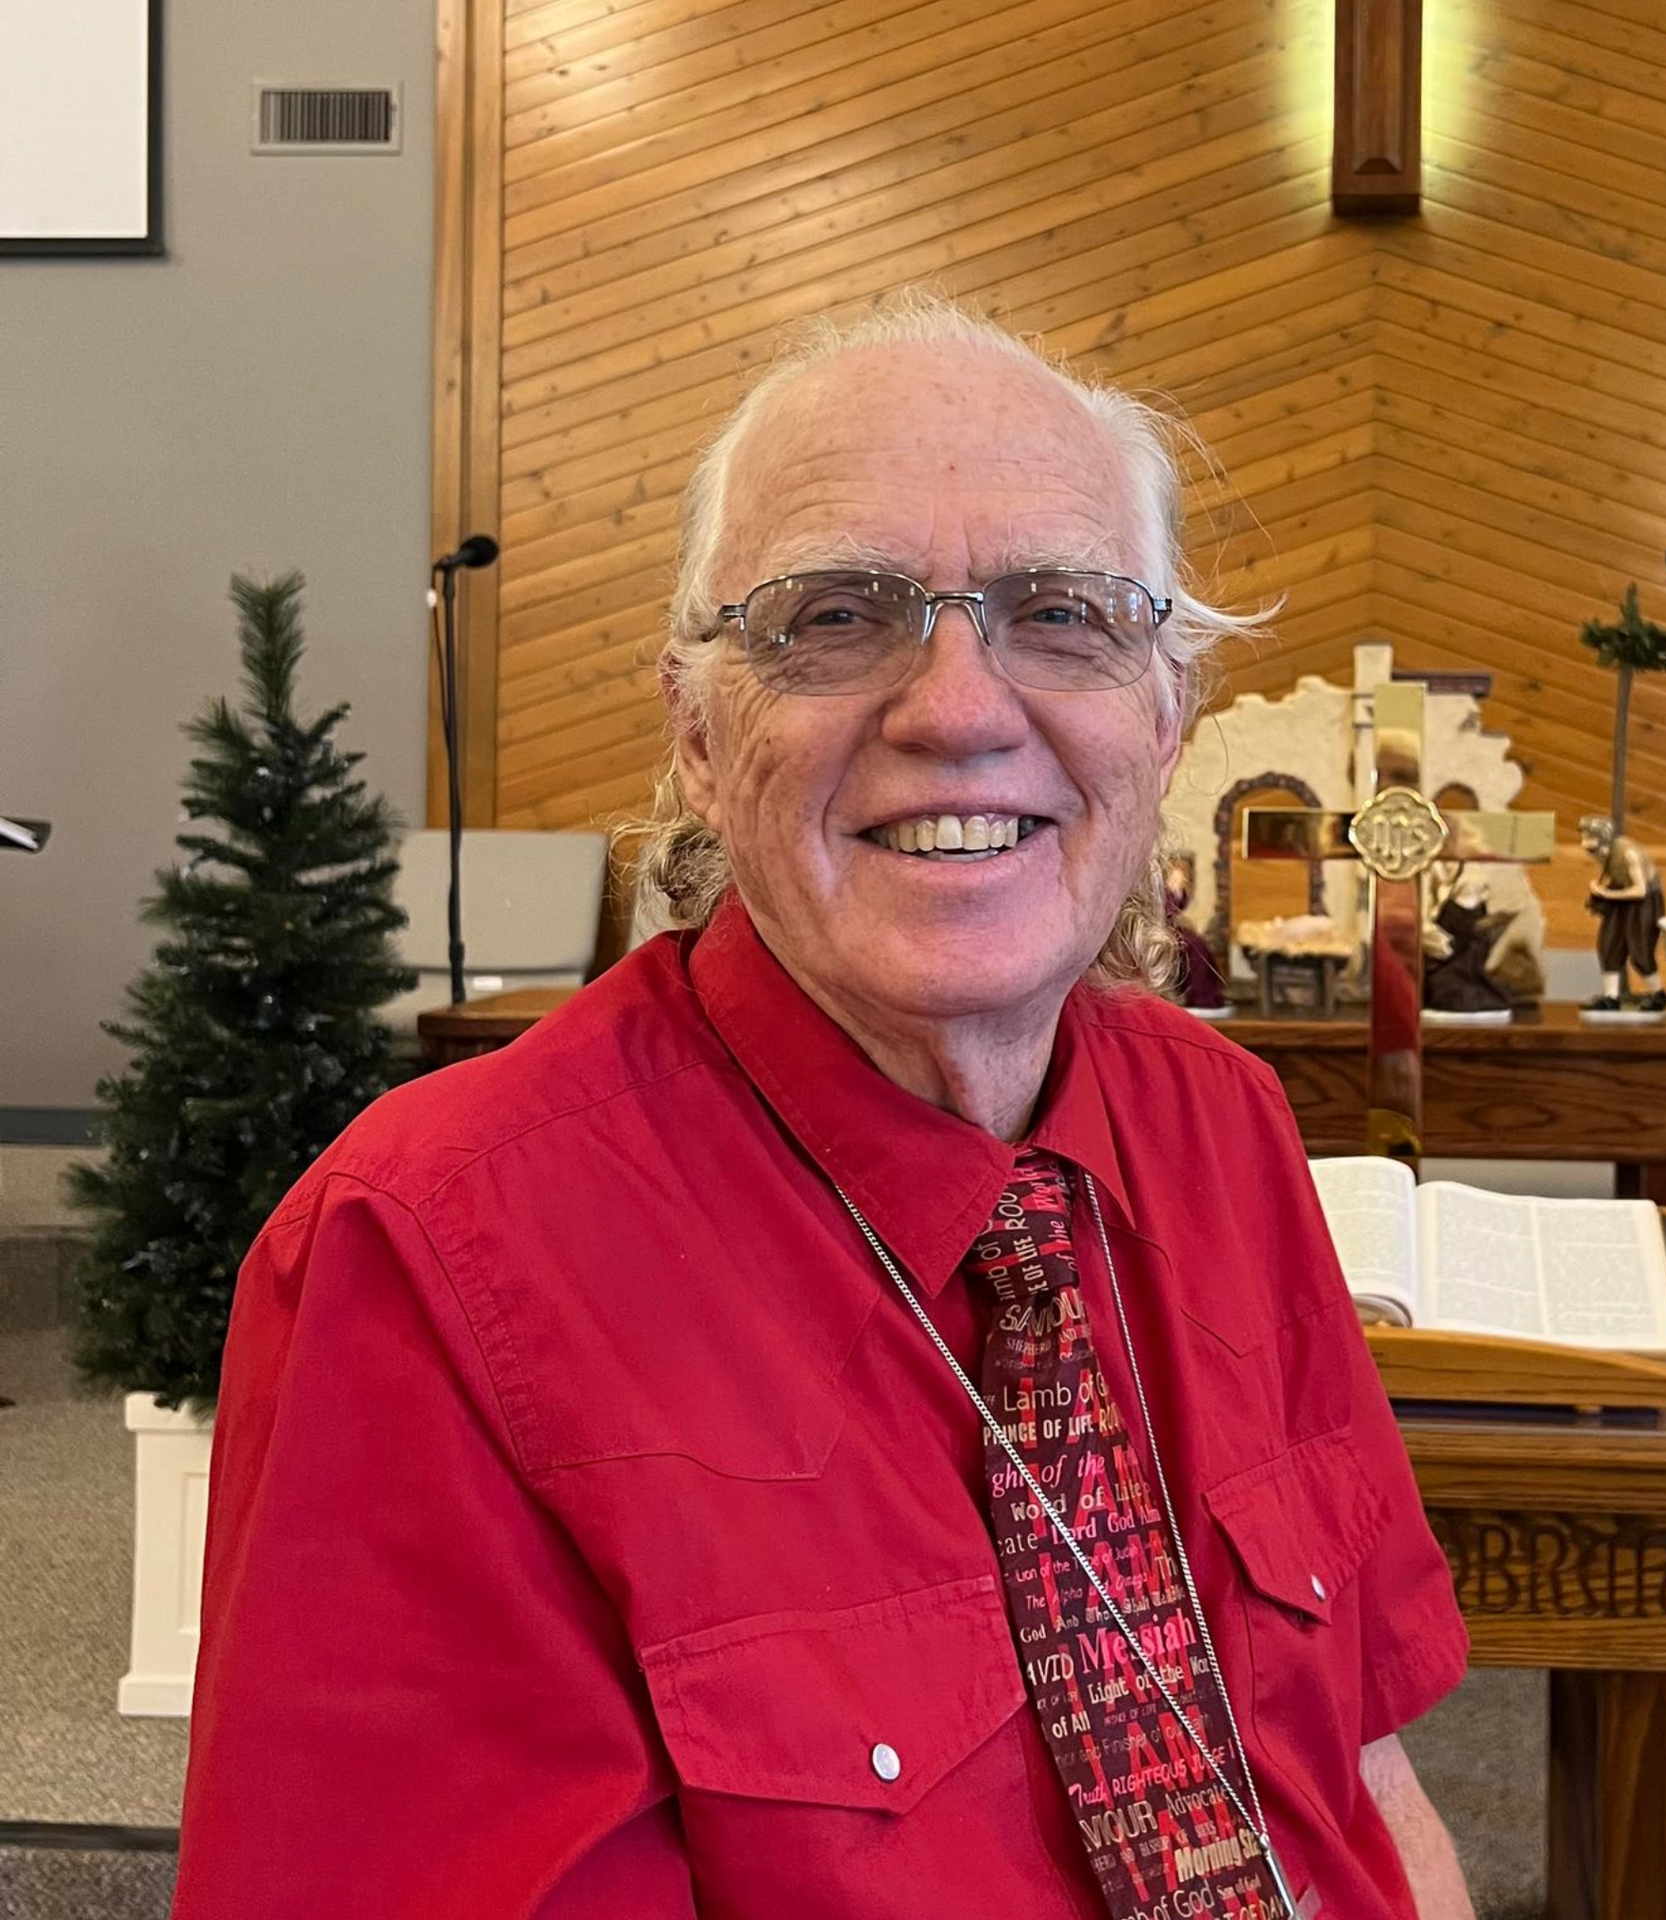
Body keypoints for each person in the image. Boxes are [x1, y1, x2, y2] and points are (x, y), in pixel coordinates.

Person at [172, 298, 1474, 1920]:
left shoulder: (1225, 1125)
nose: (958, 708)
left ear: (1162, 723)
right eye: (836, 617)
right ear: (701, 736)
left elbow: (1361, 1782)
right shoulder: (430, 1259)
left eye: (1060, 614)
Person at [1578, 814, 1666, 1012]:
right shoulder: (1600, 853)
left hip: (1645, 901)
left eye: (1590, 838)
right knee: (1609, 944)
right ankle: (1611, 997)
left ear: (1602, 838)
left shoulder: (1628, 853)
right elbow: (1615, 875)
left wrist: (1605, 893)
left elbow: (1640, 890)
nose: (1586, 843)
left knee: (1640, 949)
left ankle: (1658, 994)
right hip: (1621, 893)